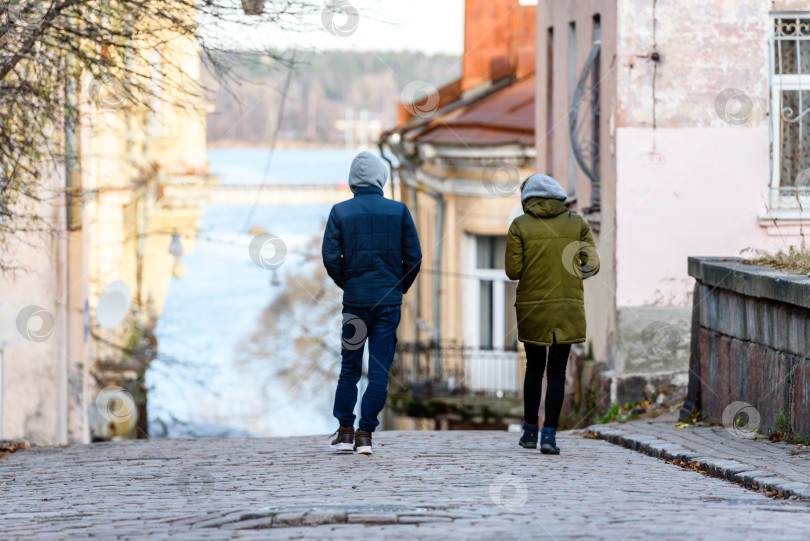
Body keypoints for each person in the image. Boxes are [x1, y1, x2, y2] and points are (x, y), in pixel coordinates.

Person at [322, 151, 422, 455]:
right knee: (379, 369)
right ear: (381, 178)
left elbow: (330, 258)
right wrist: (397, 288)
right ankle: (365, 434)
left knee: (349, 366)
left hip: (355, 304)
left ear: (353, 181)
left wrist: (348, 284)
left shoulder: (340, 212)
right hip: (388, 303)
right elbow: (414, 258)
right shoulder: (399, 211)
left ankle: (345, 432)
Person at [505, 174, 600, 455]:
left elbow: (513, 271)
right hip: (567, 307)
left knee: (534, 368)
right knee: (558, 372)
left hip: (532, 307)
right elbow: (592, 265)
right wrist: (570, 276)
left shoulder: (520, 226)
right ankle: (549, 436)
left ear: (527, 199)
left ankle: (529, 432)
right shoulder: (577, 223)